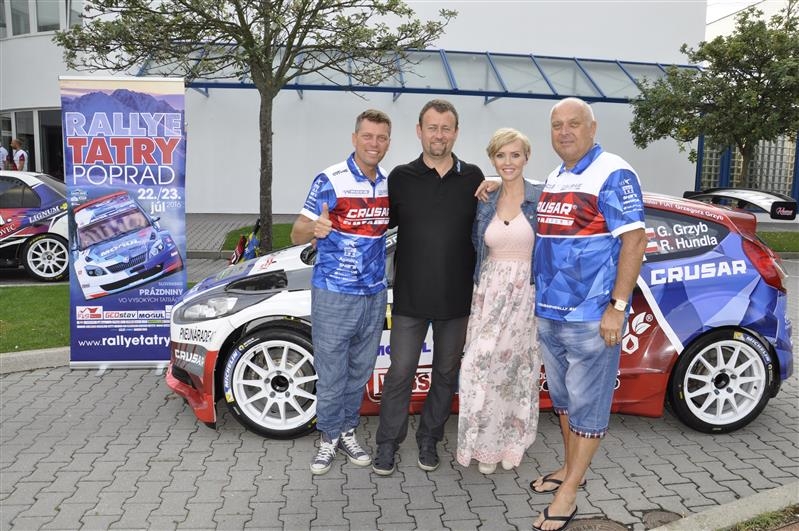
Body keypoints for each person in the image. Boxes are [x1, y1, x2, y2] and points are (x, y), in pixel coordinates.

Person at [530, 97, 647, 531]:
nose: (564, 131)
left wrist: (617, 307)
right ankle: (569, 469)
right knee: (564, 402)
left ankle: (569, 492)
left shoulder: (612, 171)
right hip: (550, 314)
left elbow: (635, 240)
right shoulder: (556, 176)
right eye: (557, 125)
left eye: (574, 123)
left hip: (591, 316)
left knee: (589, 407)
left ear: (592, 128)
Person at [372, 99, 485, 475]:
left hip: (457, 298)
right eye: (432, 128)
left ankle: (429, 439)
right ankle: (387, 443)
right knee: (400, 372)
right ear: (419, 131)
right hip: (410, 298)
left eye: (446, 128)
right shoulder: (400, 177)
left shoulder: (473, 178)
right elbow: (375, 224)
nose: (439, 135)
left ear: (456, 132)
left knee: (445, 374)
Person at [290, 109, 392, 475]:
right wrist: (315, 229)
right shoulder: (330, 179)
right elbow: (297, 233)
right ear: (354, 138)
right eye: (367, 136)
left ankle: (347, 431)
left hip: (374, 295)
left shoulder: (388, 184)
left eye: (381, 137)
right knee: (332, 374)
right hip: (334, 293)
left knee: (359, 373)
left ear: (388, 142)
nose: (374, 143)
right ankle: (328, 437)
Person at [456, 128, 543, 475]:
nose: (508, 162)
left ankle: (511, 442)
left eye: (515, 155)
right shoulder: (485, 199)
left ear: (526, 157)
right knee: (477, 367)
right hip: (489, 293)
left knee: (515, 372)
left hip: (525, 293)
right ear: (493, 159)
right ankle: (483, 444)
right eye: (501, 155)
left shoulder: (541, 198)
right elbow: (476, 245)